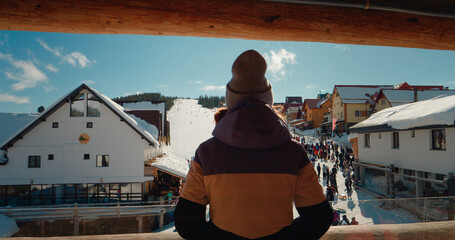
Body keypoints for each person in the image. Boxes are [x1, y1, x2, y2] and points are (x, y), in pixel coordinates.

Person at [174, 50, 333, 239]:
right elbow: (319, 217)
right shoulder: (293, 152)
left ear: (231, 101)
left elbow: (186, 222)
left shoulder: (207, 152)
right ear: (268, 99)